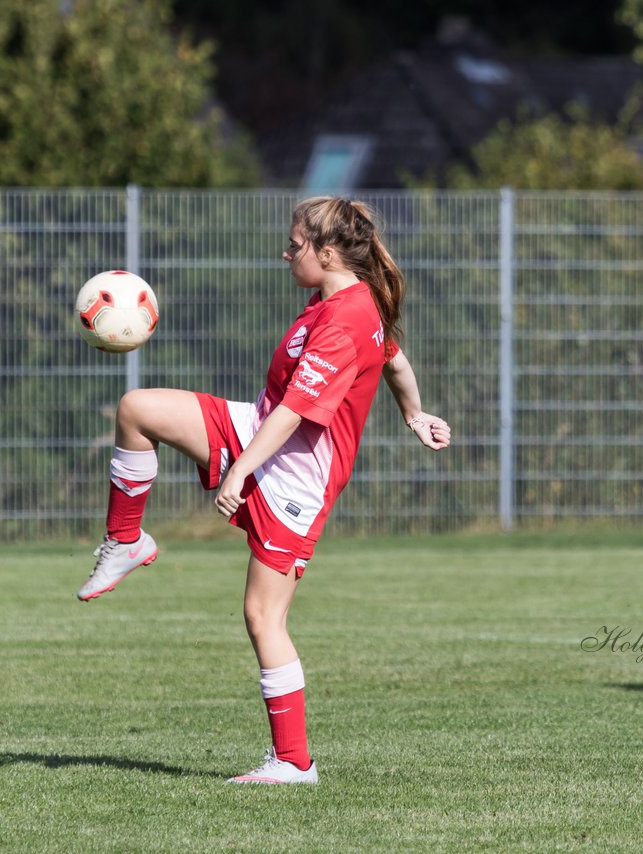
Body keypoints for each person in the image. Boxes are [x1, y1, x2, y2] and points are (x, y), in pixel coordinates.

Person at [76, 196, 452, 780]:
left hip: (294, 478)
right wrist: (415, 413)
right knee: (137, 408)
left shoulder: (348, 318)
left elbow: (297, 416)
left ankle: (294, 762)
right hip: (258, 431)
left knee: (262, 618)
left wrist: (240, 470)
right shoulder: (338, 298)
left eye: (296, 244)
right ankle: (126, 540)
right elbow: (396, 362)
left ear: (327, 254)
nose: (286, 251)